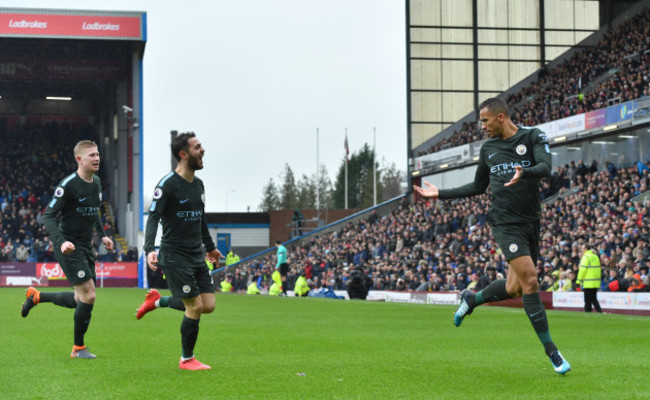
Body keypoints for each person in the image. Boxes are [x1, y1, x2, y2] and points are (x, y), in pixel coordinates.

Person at [413, 97, 571, 374]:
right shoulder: (488, 149)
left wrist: (526, 172)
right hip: (504, 223)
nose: (482, 127)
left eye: (485, 121)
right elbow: (477, 186)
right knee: (531, 280)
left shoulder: (533, 136)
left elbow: (546, 167)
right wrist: (440, 193)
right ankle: (553, 352)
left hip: (531, 221)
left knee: (515, 288)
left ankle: (471, 299)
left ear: (500, 117)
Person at [137, 132, 223, 370]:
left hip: (196, 254)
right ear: (183, 155)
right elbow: (153, 217)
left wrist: (211, 249)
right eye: (197, 147)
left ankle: (158, 301)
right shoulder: (167, 185)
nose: (203, 150)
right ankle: (187, 359)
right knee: (194, 306)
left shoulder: (199, 185)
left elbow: (200, 220)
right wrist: (149, 248)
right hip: (174, 255)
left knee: (208, 305)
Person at [21, 140, 114, 359]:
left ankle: (36, 297)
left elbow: (94, 212)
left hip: (85, 246)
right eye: (91, 155)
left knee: (79, 299)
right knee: (89, 295)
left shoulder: (97, 182)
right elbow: (48, 215)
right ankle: (78, 348)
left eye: (98, 154)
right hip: (69, 247)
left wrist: (103, 236)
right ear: (79, 159)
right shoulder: (69, 185)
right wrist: (61, 241)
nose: (97, 158)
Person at [577, 243, 602, 312]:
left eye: (582, 248)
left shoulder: (586, 257)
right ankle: (599, 312)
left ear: (585, 249)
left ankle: (588, 312)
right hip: (595, 282)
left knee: (587, 300)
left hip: (588, 282)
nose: (581, 250)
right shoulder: (595, 256)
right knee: (593, 299)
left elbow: (582, 270)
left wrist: (578, 281)